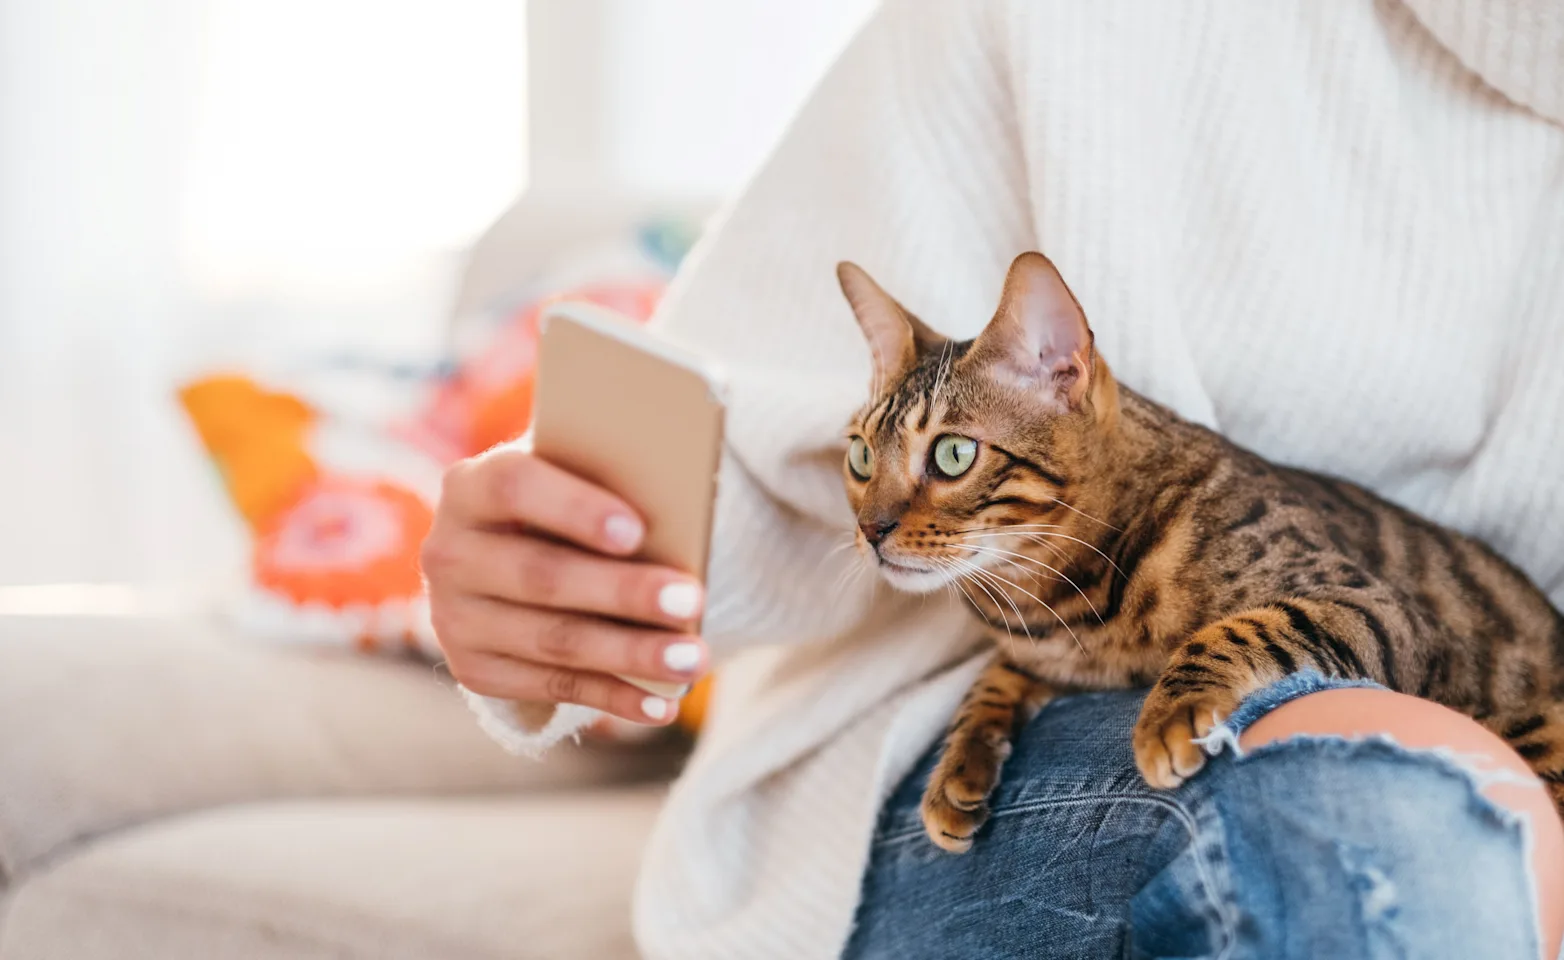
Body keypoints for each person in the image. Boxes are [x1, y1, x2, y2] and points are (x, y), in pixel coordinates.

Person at [422, 1, 1564, 957]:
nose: (879, 512)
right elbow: (736, 471)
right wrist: (572, 561)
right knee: (1387, 804)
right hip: (996, 770)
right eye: (881, 468)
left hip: (1465, 687)